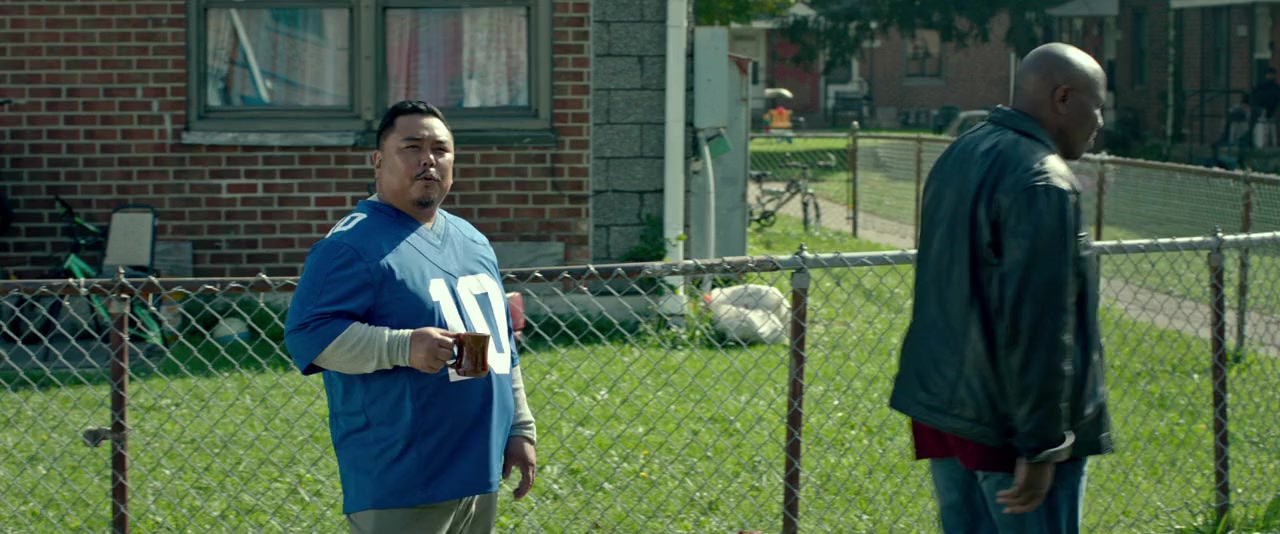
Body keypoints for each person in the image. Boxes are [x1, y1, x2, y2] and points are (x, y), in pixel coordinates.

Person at [888, 42, 1113, 534]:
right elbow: (1040, 326)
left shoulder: (962, 151)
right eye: (1097, 105)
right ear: (1063, 98)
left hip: (946, 410)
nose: (1100, 122)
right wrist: (1042, 446)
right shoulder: (1043, 181)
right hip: (1007, 428)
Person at [284, 100, 537, 534]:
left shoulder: (471, 240)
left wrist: (520, 427)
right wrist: (403, 346)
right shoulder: (351, 244)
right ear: (378, 161)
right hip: (404, 480)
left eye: (441, 149)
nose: (428, 159)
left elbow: (500, 348)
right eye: (412, 147)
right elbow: (308, 335)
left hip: (477, 471)